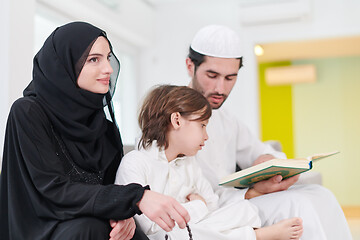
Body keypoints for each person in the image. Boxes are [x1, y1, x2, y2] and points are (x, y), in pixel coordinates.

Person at [0, 21, 189, 240]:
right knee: (90, 229)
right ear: (65, 65)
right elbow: (53, 190)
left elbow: (110, 189)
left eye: (107, 58)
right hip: (41, 225)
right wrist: (134, 198)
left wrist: (121, 214)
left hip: (90, 221)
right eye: (93, 60)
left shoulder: (103, 127)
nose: (108, 68)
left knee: (128, 232)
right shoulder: (28, 112)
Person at [185, 25, 352, 240]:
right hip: (217, 208)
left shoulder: (227, 119)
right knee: (296, 204)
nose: (220, 89)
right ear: (190, 66)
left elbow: (258, 151)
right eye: (212, 75)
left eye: (230, 78)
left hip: (239, 198)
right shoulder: (172, 116)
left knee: (321, 194)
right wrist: (252, 193)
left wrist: (268, 161)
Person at [115, 84, 303, 240]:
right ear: (177, 120)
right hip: (166, 237)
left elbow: (212, 205)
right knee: (177, 235)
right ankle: (257, 236)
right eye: (202, 126)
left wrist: (199, 209)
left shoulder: (189, 163)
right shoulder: (135, 163)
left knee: (246, 211)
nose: (206, 136)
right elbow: (152, 229)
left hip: (194, 228)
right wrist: (197, 206)